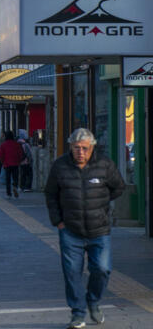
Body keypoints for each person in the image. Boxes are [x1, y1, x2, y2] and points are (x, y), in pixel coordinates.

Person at [45, 128, 125, 329]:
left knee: (103, 269)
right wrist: (58, 222)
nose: (80, 152)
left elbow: (119, 187)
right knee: (72, 273)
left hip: (99, 230)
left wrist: (101, 205)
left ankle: (93, 301)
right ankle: (78, 314)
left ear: (92, 148)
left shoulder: (104, 165)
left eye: (84, 148)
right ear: (71, 147)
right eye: (76, 148)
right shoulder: (60, 166)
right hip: (70, 230)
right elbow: (51, 195)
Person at [0, 130, 24, 198]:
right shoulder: (17, 144)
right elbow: (20, 153)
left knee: (8, 179)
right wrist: (19, 161)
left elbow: (1, 155)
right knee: (15, 177)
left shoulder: (3, 145)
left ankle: (9, 193)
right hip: (15, 163)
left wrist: (3, 162)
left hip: (7, 164)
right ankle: (15, 186)